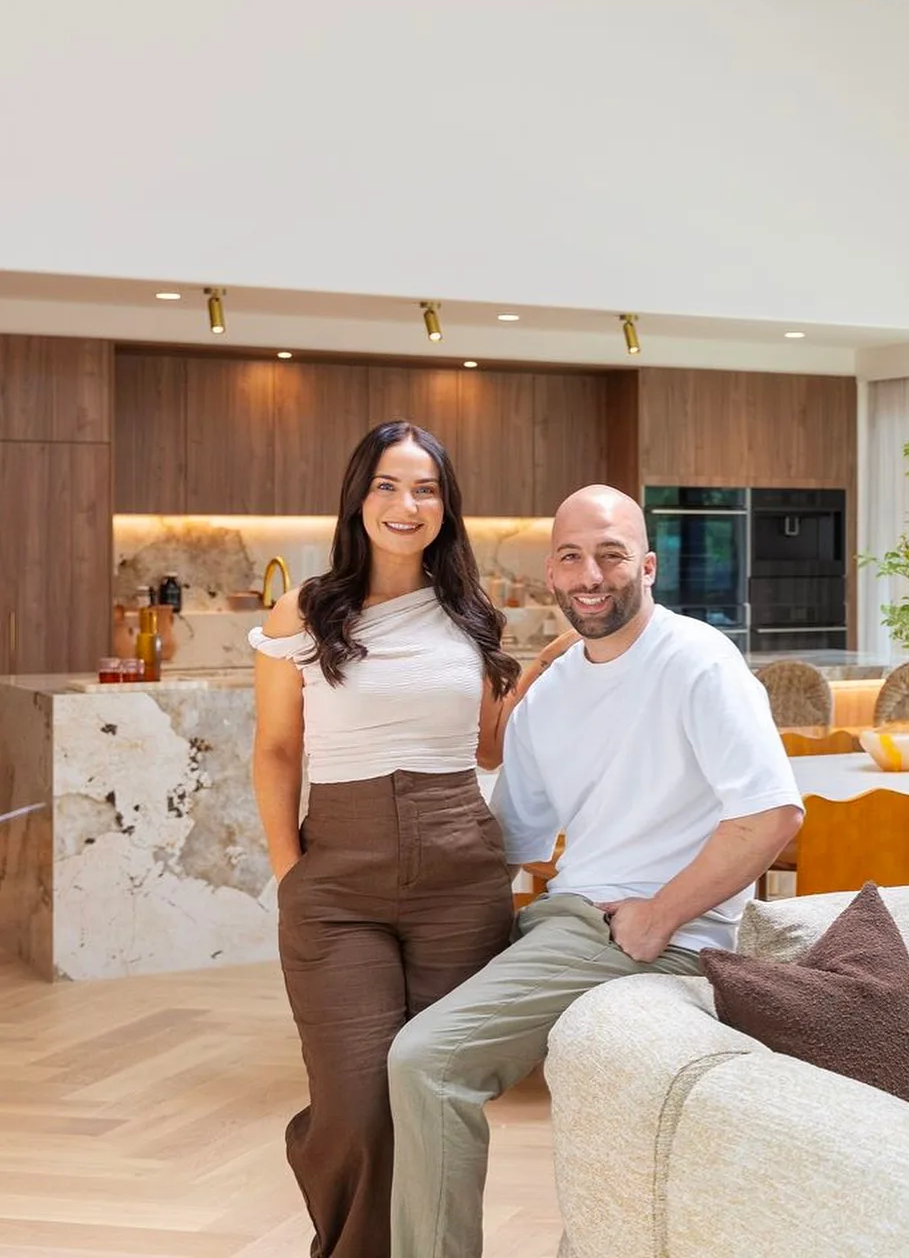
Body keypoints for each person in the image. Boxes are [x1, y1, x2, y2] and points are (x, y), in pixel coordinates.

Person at [386, 484, 805, 1258]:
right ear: (551, 573)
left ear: (646, 566)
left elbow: (772, 813)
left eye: (611, 556)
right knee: (386, 1024)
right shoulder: (551, 700)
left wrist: (661, 913)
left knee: (427, 1060)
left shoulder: (697, 660)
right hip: (564, 919)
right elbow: (512, 842)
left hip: (631, 928)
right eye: (573, 557)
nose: (591, 575)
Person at [250, 419, 576, 1258]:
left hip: (458, 874)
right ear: (360, 497)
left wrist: (535, 673)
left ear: (446, 506)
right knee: (354, 1102)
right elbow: (278, 751)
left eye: (426, 488)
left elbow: (485, 750)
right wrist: (292, 875)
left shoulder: (473, 615)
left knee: (428, 1097)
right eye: (389, 486)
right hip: (338, 879)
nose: (407, 504)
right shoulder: (305, 610)